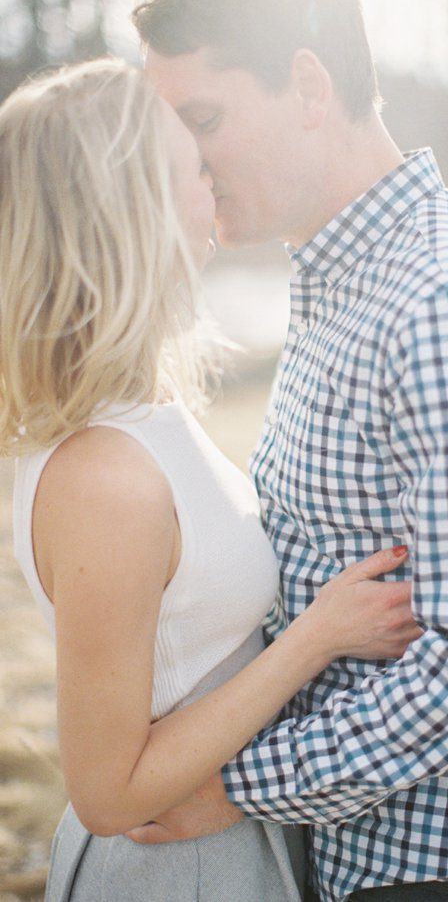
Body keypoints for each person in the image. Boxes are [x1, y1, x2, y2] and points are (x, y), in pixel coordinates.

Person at [125, 0, 448, 901]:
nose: (186, 159)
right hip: (351, 856)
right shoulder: (346, 280)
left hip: (440, 873)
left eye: (204, 120)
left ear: (309, 84)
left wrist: (235, 785)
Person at [0, 58, 421, 901]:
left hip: (224, 846)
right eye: (192, 163)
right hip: (173, 869)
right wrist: (315, 638)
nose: (214, 176)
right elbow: (109, 789)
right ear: (133, 207)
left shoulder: (141, 407)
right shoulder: (104, 475)